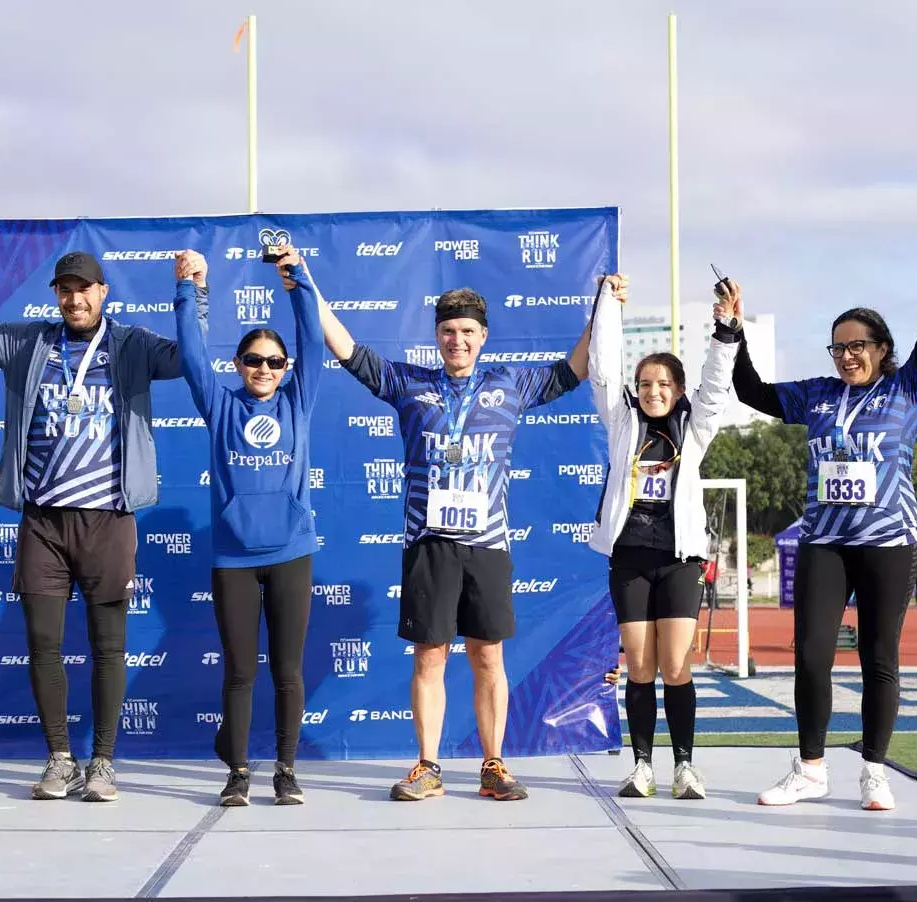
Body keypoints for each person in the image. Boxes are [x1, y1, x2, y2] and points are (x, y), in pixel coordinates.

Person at [318, 283, 594, 802]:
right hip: (430, 542)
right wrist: (306, 283)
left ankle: (494, 764)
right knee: (430, 657)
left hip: (487, 545)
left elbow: (573, 369)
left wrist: (606, 306)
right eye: (448, 331)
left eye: (467, 331)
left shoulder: (510, 384)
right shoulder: (409, 384)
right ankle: (427, 766)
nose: (457, 340)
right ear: (437, 336)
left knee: (488, 657)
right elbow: (348, 351)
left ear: (483, 336)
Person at [0, 249, 203, 802]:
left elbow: (191, 357)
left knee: (108, 646)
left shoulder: (132, 345)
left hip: (108, 519)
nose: (74, 299)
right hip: (43, 521)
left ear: (103, 292)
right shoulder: (30, 344)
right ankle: (60, 759)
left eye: (84, 289)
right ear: (56, 295)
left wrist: (191, 290)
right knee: (44, 644)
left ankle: (104, 763)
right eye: (65, 290)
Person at [733, 220, 917, 811]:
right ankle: (810, 769)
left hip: (888, 542)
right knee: (811, 654)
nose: (847, 355)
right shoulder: (816, 394)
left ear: (881, 349)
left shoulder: (907, 389)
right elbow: (751, 391)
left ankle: (875, 772)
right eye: (838, 347)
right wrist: (730, 330)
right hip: (825, 541)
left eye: (858, 345)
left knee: (879, 657)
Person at [173, 244, 324, 808]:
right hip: (233, 558)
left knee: (287, 671)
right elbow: (191, 352)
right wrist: (190, 288)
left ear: (286, 370)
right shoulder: (220, 406)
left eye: (273, 362)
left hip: (291, 551)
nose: (264, 368)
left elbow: (312, 340)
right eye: (253, 360)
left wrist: (296, 277)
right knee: (239, 673)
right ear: (238, 365)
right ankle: (238, 772)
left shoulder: (299, 401)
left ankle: (285, 770)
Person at [586, 272, 742, 801]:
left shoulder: (693, 428)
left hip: (679, 559)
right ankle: (642, 766)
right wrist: (607, 305)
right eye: (646, 383)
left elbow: (717, 385)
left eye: (664, 385)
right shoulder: (620, 422)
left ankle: (684, 766)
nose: (653, 392)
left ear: (677, 392)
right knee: (640, 666)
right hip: (629, 556)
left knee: (675, 666)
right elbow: (602, 370)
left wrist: (725, 328)